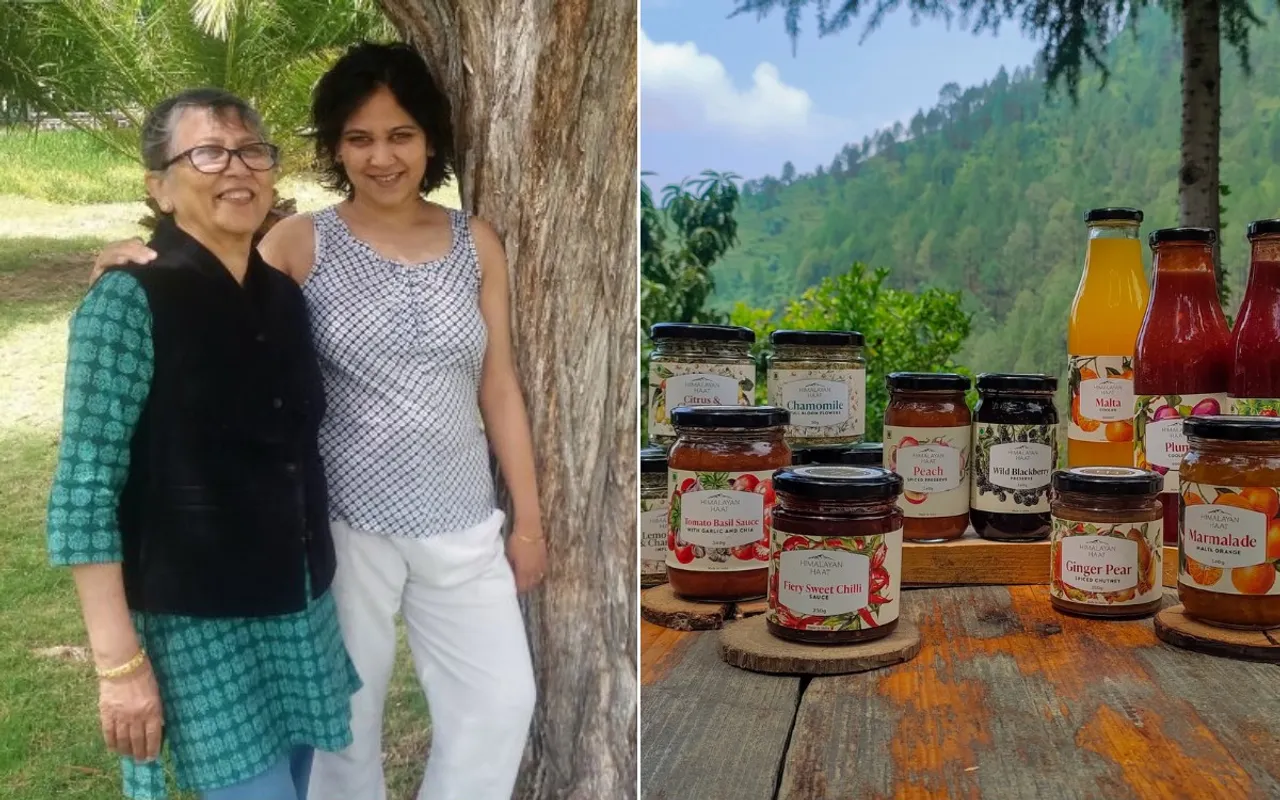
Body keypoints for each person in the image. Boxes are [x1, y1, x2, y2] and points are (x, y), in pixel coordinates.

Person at [91, 42, 546, 800]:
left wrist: (525, 523)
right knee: (344, 727)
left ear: (429, 140)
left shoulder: (477, 242)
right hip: (343, 526)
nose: (382, 157)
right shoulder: (302, 243)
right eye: (359, 138)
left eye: (400, 135)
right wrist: (130, 256)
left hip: (465, 520)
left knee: (501, 703)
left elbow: (498, 386)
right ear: (336, 147)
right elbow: (214, 286)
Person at [50, 88, 360, 800]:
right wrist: (118, 663)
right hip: (197, 626)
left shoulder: (282, 296)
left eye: (254, 151)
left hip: (296, 605)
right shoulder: (128, 300)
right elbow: (83, 491)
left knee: (297, 781)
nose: (238, 169)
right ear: (159, 186)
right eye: (208, 153)